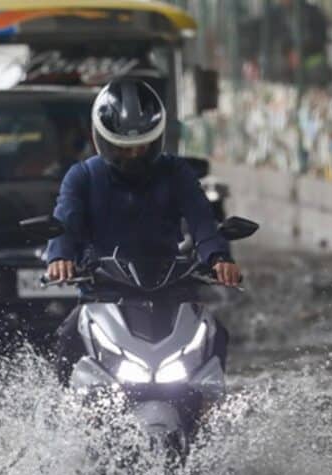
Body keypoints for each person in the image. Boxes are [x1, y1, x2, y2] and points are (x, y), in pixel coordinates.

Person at [44, 79, 243, 381]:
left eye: (142, 145)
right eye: (124, 147)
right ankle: (59, 415)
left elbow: (202, 220)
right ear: (102, 139)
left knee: (216, 334)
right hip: (103, 293)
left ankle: (211, 415)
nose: (134, 154)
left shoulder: (176, 172)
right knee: (67, 335)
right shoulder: (82, 177)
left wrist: (218, 258)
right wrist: (60, 257)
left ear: (158, 139)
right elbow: (65, 221)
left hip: (171, 289)